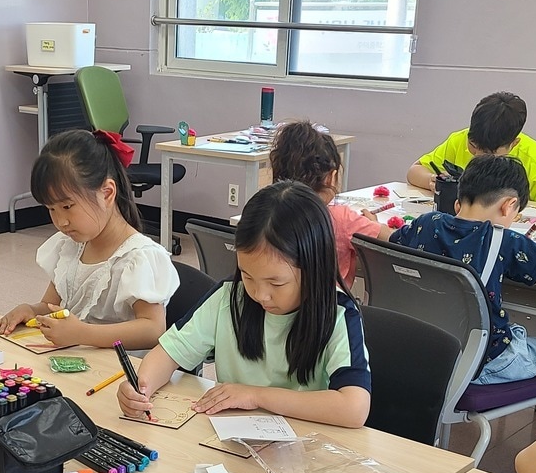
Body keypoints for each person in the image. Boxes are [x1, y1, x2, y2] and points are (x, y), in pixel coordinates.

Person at [118, 181, 371, 429]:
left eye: (276, 283)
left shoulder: (337, 313)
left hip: (305, 450)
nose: (260, 295)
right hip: (233, 443)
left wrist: (255, 396)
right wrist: (141, 386)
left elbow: (354, 408)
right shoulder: (231, 297)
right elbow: (167, 354)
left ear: (314, 269)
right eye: (247, 275)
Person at [391, 154, 536, 432]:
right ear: (509, 206)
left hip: (425, 353)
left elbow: (389, 239)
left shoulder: (427, 223)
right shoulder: (505, 239)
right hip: (484, 363)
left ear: (459, 199)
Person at [0, 129, 179, 349]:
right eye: (51, 209)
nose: (61, 221)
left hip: (118, 374)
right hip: (75, 364)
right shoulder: (70, 247)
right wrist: (32, 311)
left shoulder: (140, 257)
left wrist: (83, 333)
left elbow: (152, 330)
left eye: (67, 206)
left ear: (107, 193)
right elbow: (52, 306)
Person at [268, 120, 390, 289]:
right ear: (330, 177)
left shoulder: (269, 211)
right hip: (330, 308)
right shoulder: (342, 218)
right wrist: (375, 224)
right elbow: (392, 239)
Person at [406, 91, 536, 205]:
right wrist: (431, 181)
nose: (478, 157)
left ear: (514, 143)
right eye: (473, 147)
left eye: (489, 154)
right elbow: (414, 172)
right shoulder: (458, 140)